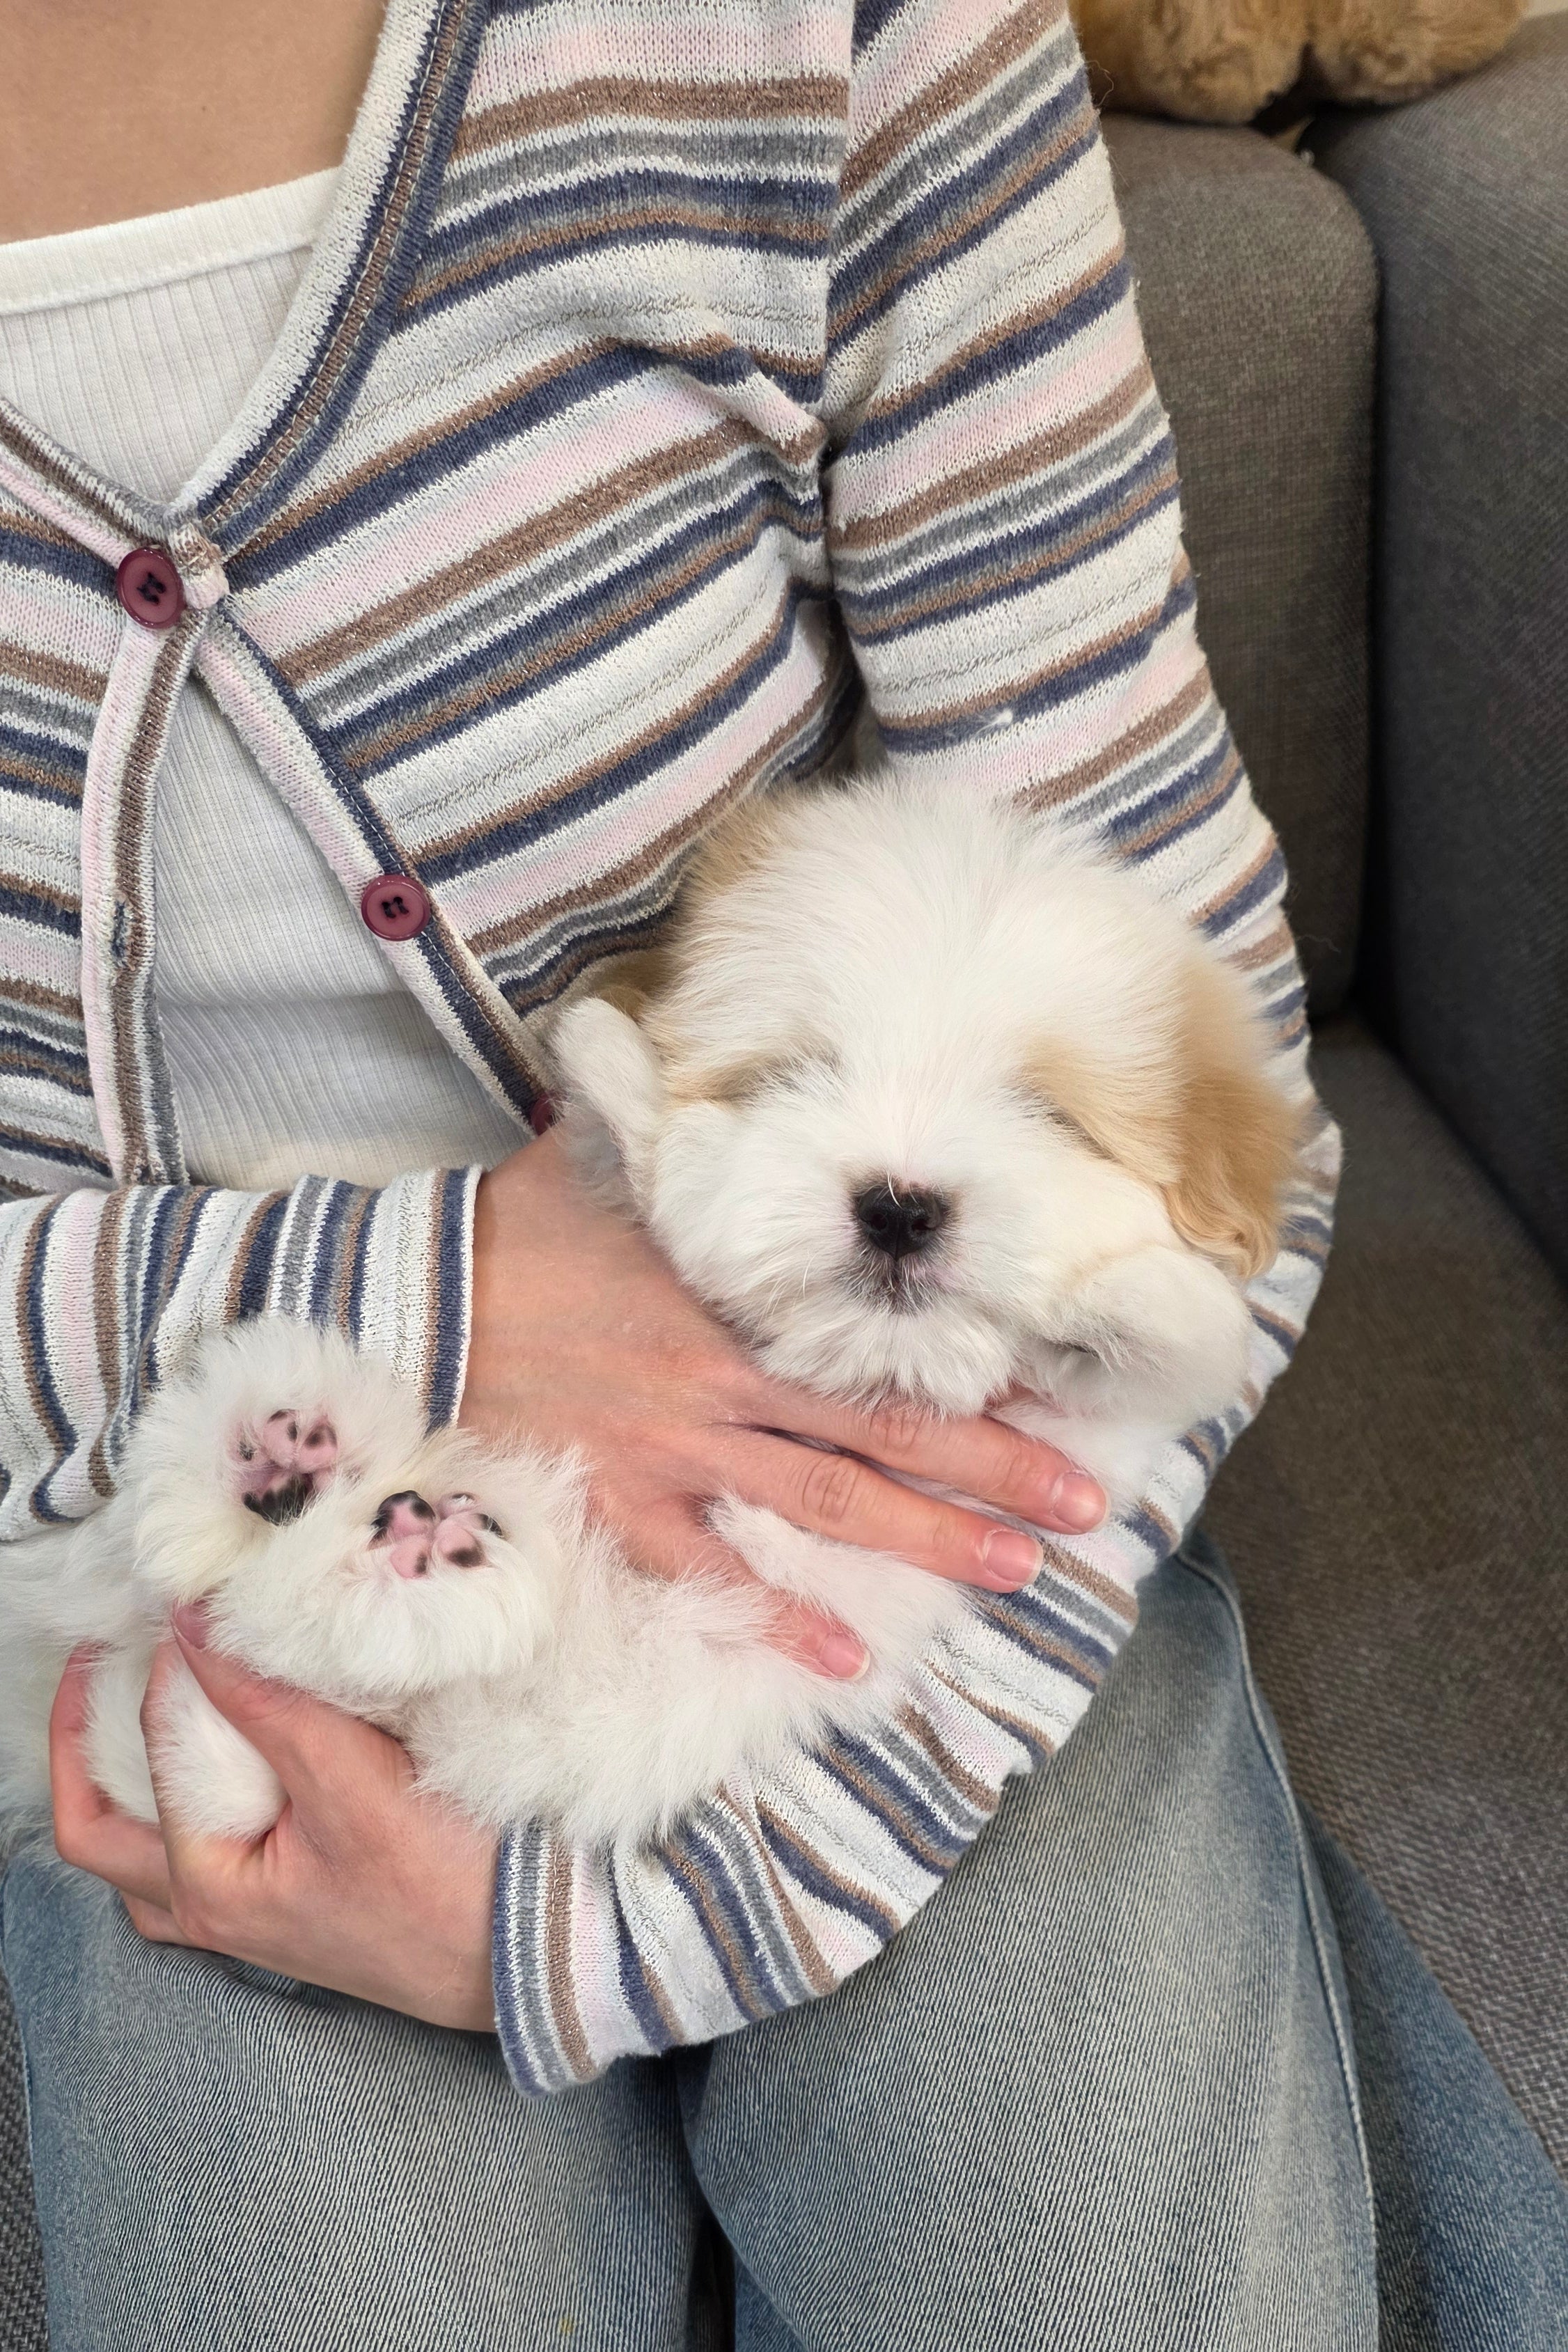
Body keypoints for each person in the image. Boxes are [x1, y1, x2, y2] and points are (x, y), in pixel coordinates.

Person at [0, 1, 1562, 2344]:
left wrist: (614, 1930)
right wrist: (426, 1301)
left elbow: (1188, 1014)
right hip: (188, 1539)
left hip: (913, 1482)